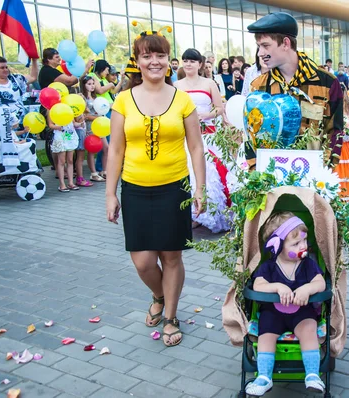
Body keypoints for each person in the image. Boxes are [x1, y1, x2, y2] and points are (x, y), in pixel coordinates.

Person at [105, 27, 206, 347]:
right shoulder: (123, 100)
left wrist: (200, 189)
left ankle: (172, 316)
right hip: (134, 188)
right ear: (137, 60)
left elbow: (197, 148)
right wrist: (110, 193)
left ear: (168, 60)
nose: (154, 61)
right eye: (147, 56)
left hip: (174, 187)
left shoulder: (182, 101)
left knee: (172, 255)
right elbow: (116, 150)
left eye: (160, 55)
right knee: (144, 260)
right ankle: (159, 294)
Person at [247, 12, 344, 168]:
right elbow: (251, 136)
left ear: (286, 43)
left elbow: (334, 135)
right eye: (259, 47)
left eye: (265, 46)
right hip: (271, 179)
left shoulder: (327, 84)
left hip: (313, 179)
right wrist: (257, 175)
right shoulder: (258, 87)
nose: (260, 53)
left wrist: (322, 175)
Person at [245, 212, 327, 396]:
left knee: (308, 330)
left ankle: (313, 374)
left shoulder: (308, 264)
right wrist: (277, 287)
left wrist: (307, 289)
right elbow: (258, 285)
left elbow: (320, 283)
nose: (303, 246)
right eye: (296, 243)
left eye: (304, 241)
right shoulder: (269, 267)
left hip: (302, 313)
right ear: (278, 246)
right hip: (273, 313)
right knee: (266, 335)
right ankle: (264, 377)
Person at [174, 48, 231, 233]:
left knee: (209, 173)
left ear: (200, 64)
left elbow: (220, 108)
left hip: (207, 134)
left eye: (192, 61)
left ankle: (208, 212)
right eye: (185, 60)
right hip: (184, 135)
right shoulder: (177, 85)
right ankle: (189, 213)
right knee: (187, 172)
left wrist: (206, 115)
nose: (188, 64)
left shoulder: (209, 83)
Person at [0, 56, 38, 128]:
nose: (5, 70)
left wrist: (34, 60)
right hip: (2, 126)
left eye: (6, 67)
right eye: (2, 68)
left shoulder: (16, 79)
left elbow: (33, 77)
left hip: (21, 122)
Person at [333, 91, 349, 201]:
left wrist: (348, 137)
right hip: (337, 147)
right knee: (338, 173)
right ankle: (338, 200)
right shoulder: (332, 111)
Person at [80, 75, 105, 182]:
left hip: (100, 126)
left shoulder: (95, 98)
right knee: (92, 150)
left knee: (106, 147)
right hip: (90, 126)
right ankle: (93, 173)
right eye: (89, 84)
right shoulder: (83, 98)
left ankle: (104, 170)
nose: (92, 86)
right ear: (84, 85)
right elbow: (85, 116)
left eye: (93, 83)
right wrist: (97, 117)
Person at [47, 110, 79, 192]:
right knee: (61, 161)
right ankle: (62, 184)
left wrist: (79, 124)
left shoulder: (67, 108)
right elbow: (50, 125)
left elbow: (73, 122)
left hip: (69, 135)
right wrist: (58, 127)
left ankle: (71, 182)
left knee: (70, 160)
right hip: (60, 136)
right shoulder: (52, 110)